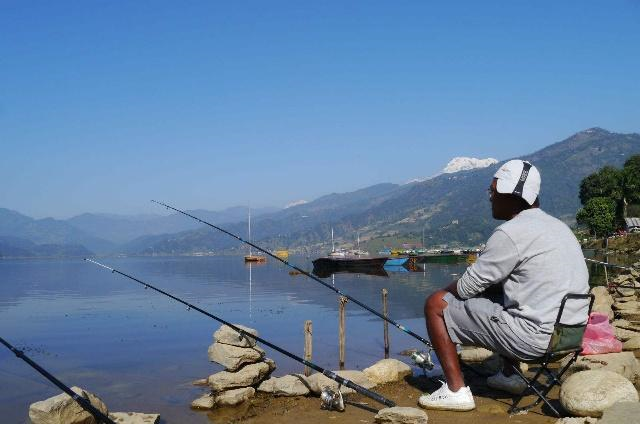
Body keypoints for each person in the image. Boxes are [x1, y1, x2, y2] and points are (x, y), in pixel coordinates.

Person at [419, 159, 589, 411]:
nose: (490, 198)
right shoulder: (559, 227)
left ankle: (456, 391)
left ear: (511, 196)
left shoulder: (510, 232)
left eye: (493, 192)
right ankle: (510, 377)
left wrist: (448, 292)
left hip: (536, 341)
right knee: (504, 296)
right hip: (570, 336)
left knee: (435, 304)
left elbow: (465, 288)